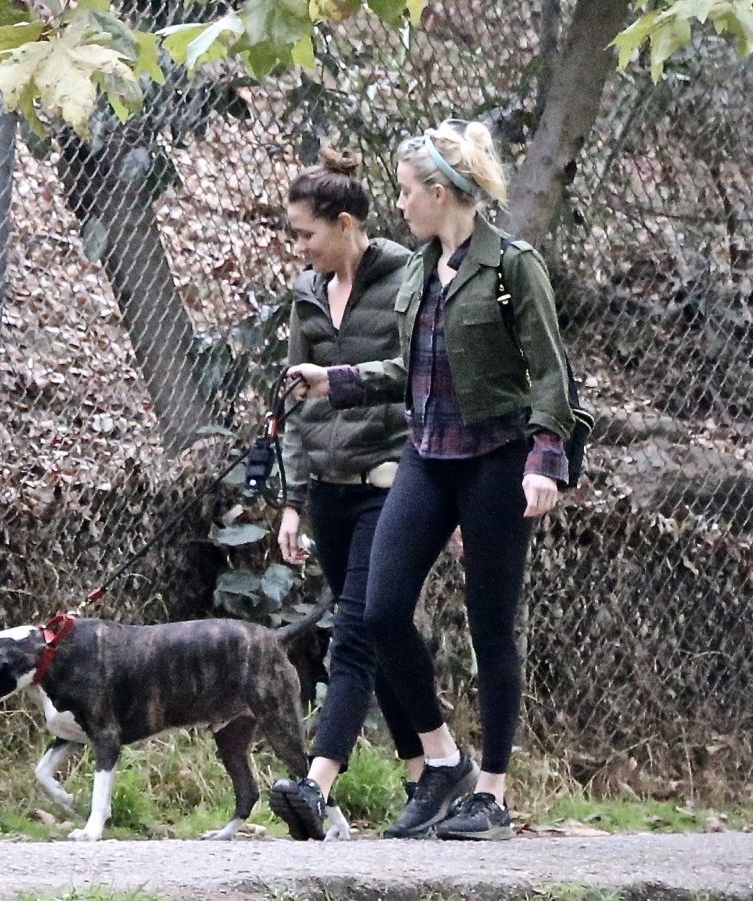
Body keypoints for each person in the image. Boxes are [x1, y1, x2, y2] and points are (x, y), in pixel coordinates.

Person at [287, 119, 575, 841]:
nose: (402, 203)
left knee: (490, 626)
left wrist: (545, 461)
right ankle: (442, 759)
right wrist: (338, 379)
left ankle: (493, 797)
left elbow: (551, 375)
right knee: (381, 611)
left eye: (408, 191)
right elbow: (409, 371)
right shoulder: (419, 267)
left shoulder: (513, 266)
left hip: (497, 459)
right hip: (427, 454)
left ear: (440, 192)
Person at [266, 147, 425, 842]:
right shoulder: (308, 293)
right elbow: (297, 405)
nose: (300, 247)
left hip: (388, 484)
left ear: (346, 223)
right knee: (382, 634)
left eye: (307, 234)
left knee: (355, 632)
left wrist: (345, 379)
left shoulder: (405, 278)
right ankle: (430, 774)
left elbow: (416, 372)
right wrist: (294, 500)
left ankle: (317, 781)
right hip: (326, 492)